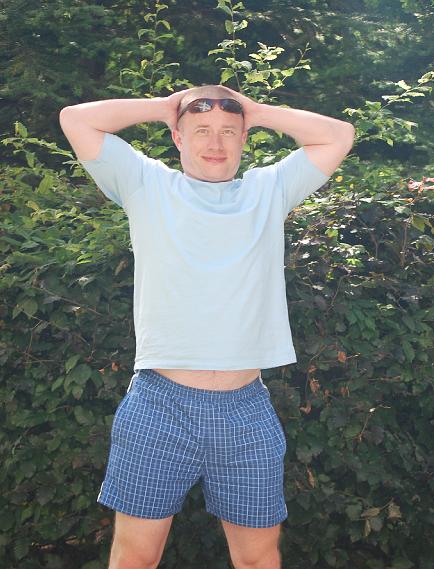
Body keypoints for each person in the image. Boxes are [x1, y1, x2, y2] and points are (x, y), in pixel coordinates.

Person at [59, 84, 354, 569]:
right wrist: (163, 108)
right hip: (158, 407)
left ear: (244, 139)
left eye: (229, 132)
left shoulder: (268, 190)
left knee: (258, 559)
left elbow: (338, 135)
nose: (215, 144)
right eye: (200, 131)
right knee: (135, 557)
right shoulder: (146, 184)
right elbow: (75, 118)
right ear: (177, 138)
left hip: (246, 411)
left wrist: (255, 110)